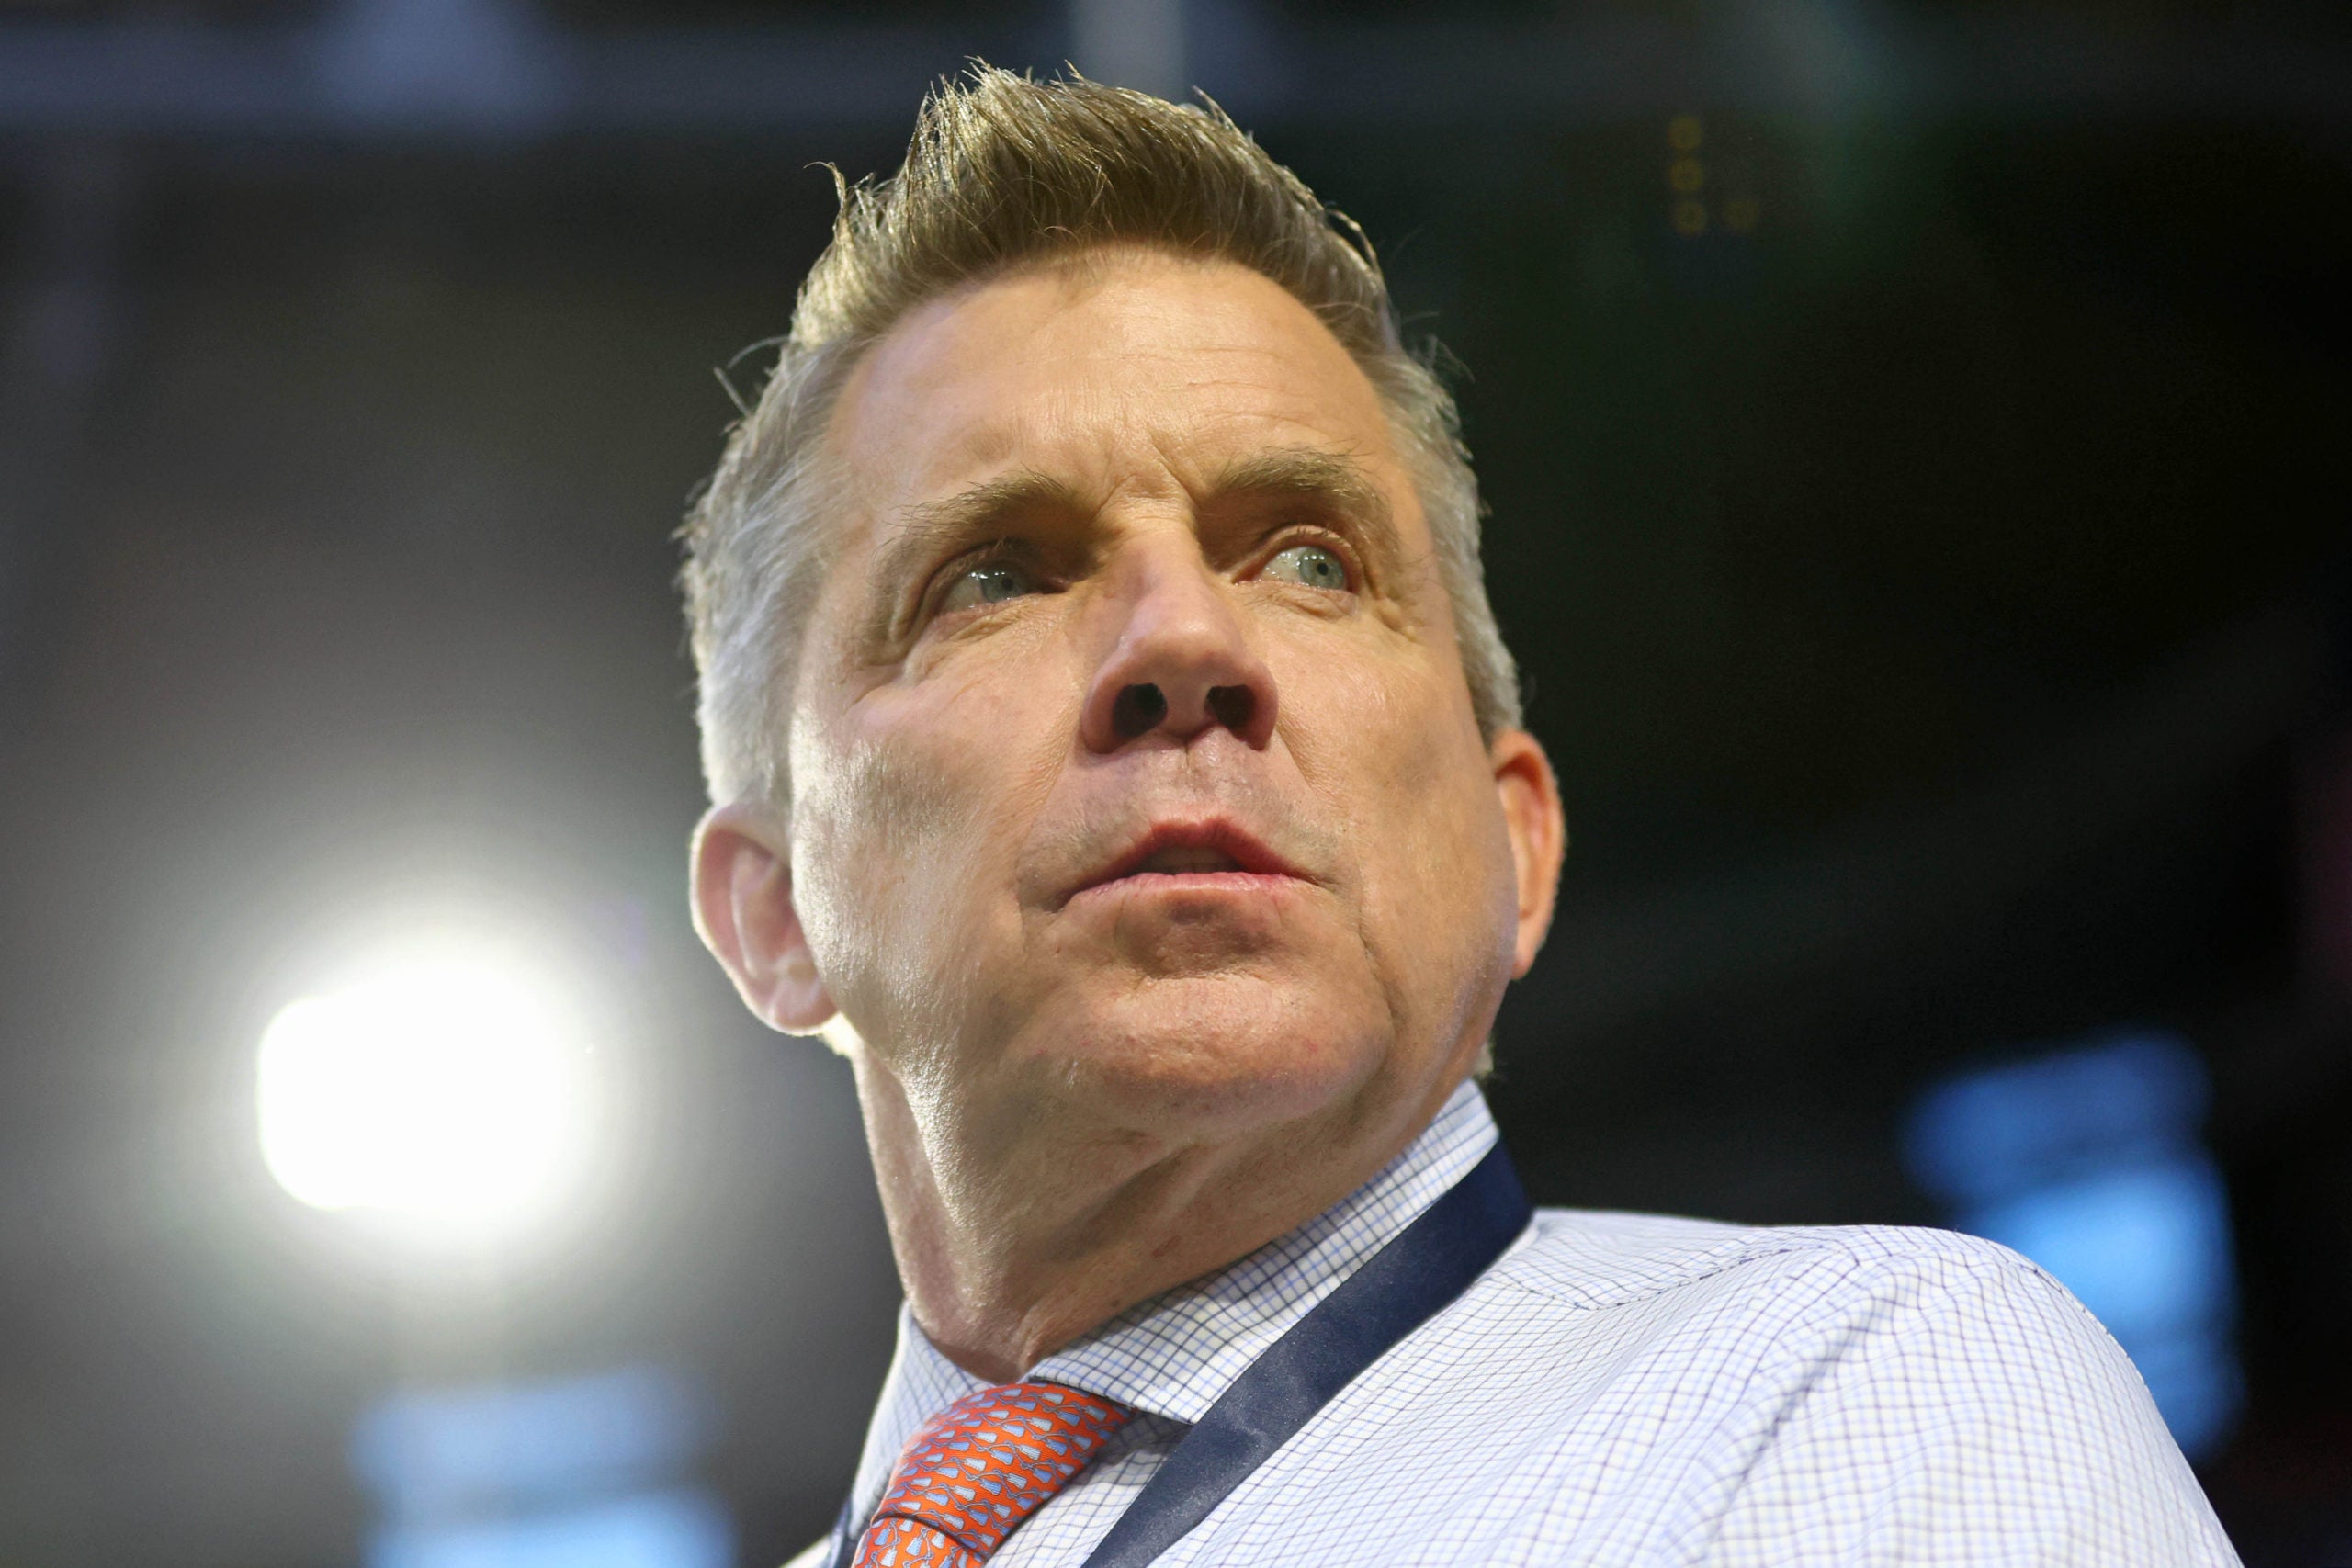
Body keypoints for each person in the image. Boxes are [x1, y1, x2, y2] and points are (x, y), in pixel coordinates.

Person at [681, 66, 2237, 1568]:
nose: (1186, 646)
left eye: (1310, 561)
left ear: (1518, 846)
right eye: (1000, 575)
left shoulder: (1864, 1394)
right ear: (775, 910)